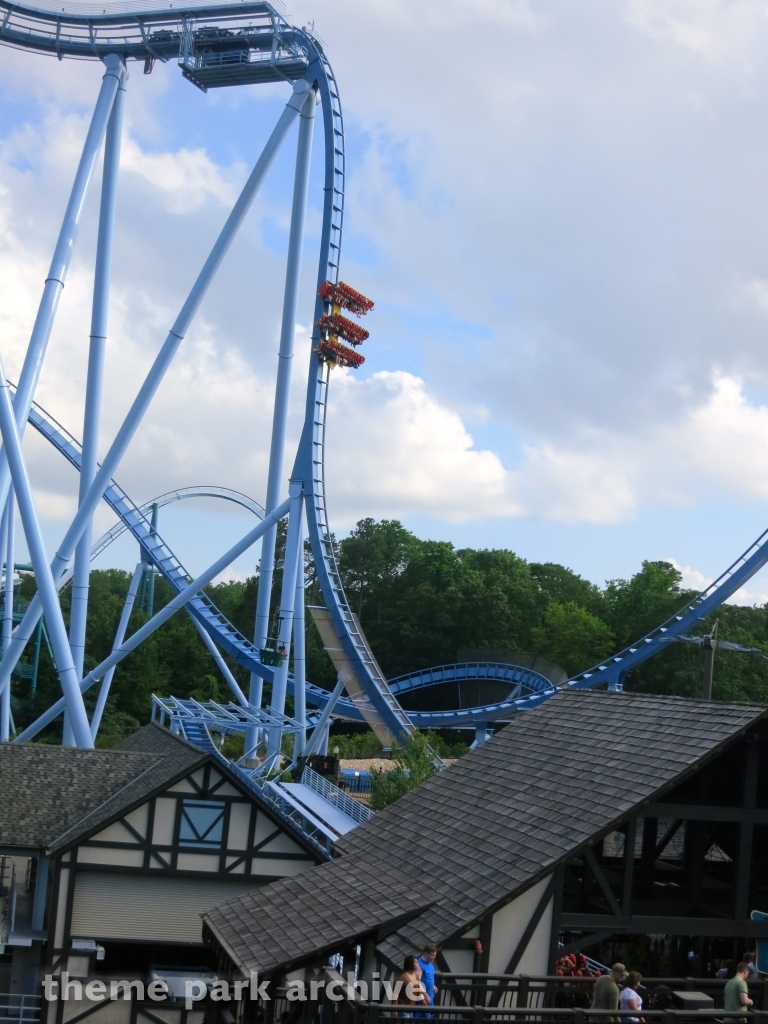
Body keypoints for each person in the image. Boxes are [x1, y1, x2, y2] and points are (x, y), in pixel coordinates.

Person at [417, 942, 438, 1009]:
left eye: (435, 955)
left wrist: (433, 986)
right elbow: (417, 982)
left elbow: (429, 977)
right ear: (426, 953)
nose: (434, 957)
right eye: (432, 955)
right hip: (422, 999)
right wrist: (425, 995)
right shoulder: (419, 965)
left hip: (430, 996)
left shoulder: (430, 964)